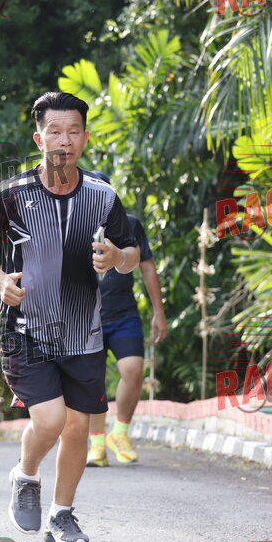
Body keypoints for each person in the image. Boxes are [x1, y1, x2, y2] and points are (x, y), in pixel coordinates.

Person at [0, 90, 140, 542]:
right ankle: (25, 474)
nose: (65, 140)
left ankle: (62, 516)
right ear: (39, 139)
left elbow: (131, 253)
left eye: (73, 131)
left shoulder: (103, 195)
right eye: (55, 131)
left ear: (85, 138)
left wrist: (117, 257)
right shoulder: (13, 194)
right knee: (50, 420)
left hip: (85, 332)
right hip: (26, 329)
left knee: (78, 426)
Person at [86, 171, 168, 466]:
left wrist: (159, 312)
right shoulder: (75, 226)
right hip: (86, 319)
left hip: (124, 314)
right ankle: (96, 444)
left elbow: (147, 267)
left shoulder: (129, 224)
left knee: (133, 370)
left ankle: (119, 433)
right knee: (93, 381)